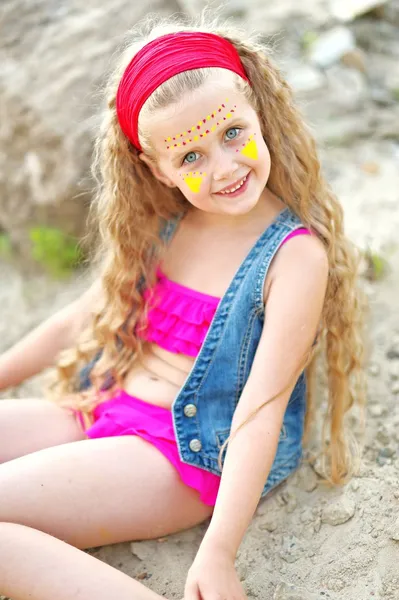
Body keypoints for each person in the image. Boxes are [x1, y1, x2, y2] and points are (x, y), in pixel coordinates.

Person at [0, 11, 365, 600]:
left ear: (254, 108)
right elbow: (81, 319)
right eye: (189, 157)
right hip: (100, 408)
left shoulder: (293, 258)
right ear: (156, 168)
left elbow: (258, 412)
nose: (223, 167)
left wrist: (218, 553)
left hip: (179, 456)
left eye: (231, 133)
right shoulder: (167, 225)